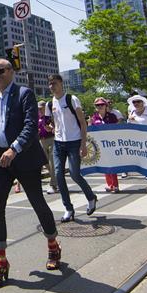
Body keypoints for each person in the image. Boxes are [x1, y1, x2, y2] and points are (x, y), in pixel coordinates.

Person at [0, 58, 61, 290]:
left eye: (1, 71)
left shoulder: (24, 94)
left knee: (38, 202)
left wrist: (14, 148)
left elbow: (30, 125)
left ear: (11, 71)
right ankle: (1, 260)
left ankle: (52, 243)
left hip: (24, 156)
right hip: (1, 159)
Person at [46, 75, 97, 218]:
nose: (52, 86)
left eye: (54, 83)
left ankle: (91, 197)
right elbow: (53, 123)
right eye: (50, 84)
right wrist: (50, 127)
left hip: (74, 142)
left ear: (61, 84)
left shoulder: (71, 99)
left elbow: (82, 122)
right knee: (58, 175)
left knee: (74, 174)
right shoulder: (50, 104)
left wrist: (83, 144)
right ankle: (68, 208)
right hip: (58, 143)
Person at [90, 98, 120, 192]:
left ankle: (115, 185)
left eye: (102, 105)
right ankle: (109, 184)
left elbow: (117, 128)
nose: (100, 107)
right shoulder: (94, 117)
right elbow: (91, 130)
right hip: (100, 144)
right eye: (97, 105)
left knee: (112, 164)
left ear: (106, 106)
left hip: (111, 143)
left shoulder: (112, 116)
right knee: (105, 164)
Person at [37, 101, 57, 194]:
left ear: (45, 107)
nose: (39, 110)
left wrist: (51, 127)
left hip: (52, 139)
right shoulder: (37, 117)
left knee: (52, 161)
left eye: (41, 108)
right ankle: (55, 176)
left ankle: (53, 184)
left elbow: (55, 127)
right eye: (38, 108)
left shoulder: (51, 116)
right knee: (43, 161)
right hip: (42, 140)